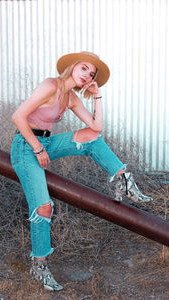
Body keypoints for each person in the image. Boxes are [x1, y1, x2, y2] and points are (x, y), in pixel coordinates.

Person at [10, 51, 153, 291]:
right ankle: (39, 266)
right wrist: (36, 149)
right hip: (25, 147)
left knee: (91, 138)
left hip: (46, 143)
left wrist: (97, 96)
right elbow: (18, 116)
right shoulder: (50, 85)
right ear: (73, 67)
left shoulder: (72, 98)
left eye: (92, 74)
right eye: (84, 68)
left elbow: (96, 126)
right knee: (44, 207)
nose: (87, 75)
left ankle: (123, 180)